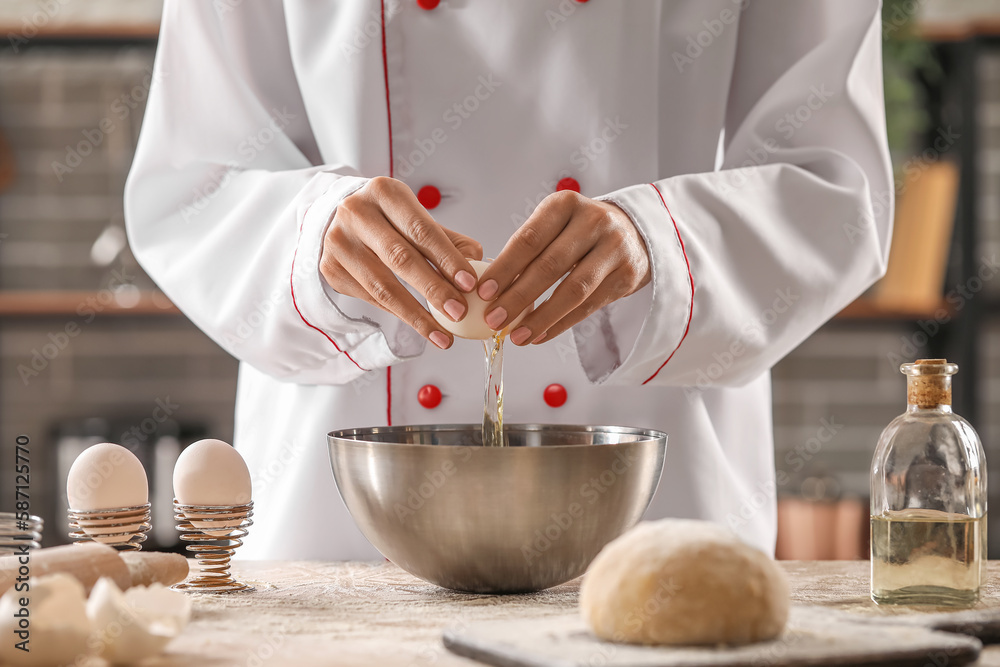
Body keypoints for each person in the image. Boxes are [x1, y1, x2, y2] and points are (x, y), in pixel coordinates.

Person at [125, 0, 892, 559]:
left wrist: (663, 239)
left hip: (656, 512)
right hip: (335, 520)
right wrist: (311, 237)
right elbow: (192, 183)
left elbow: (837, 185)